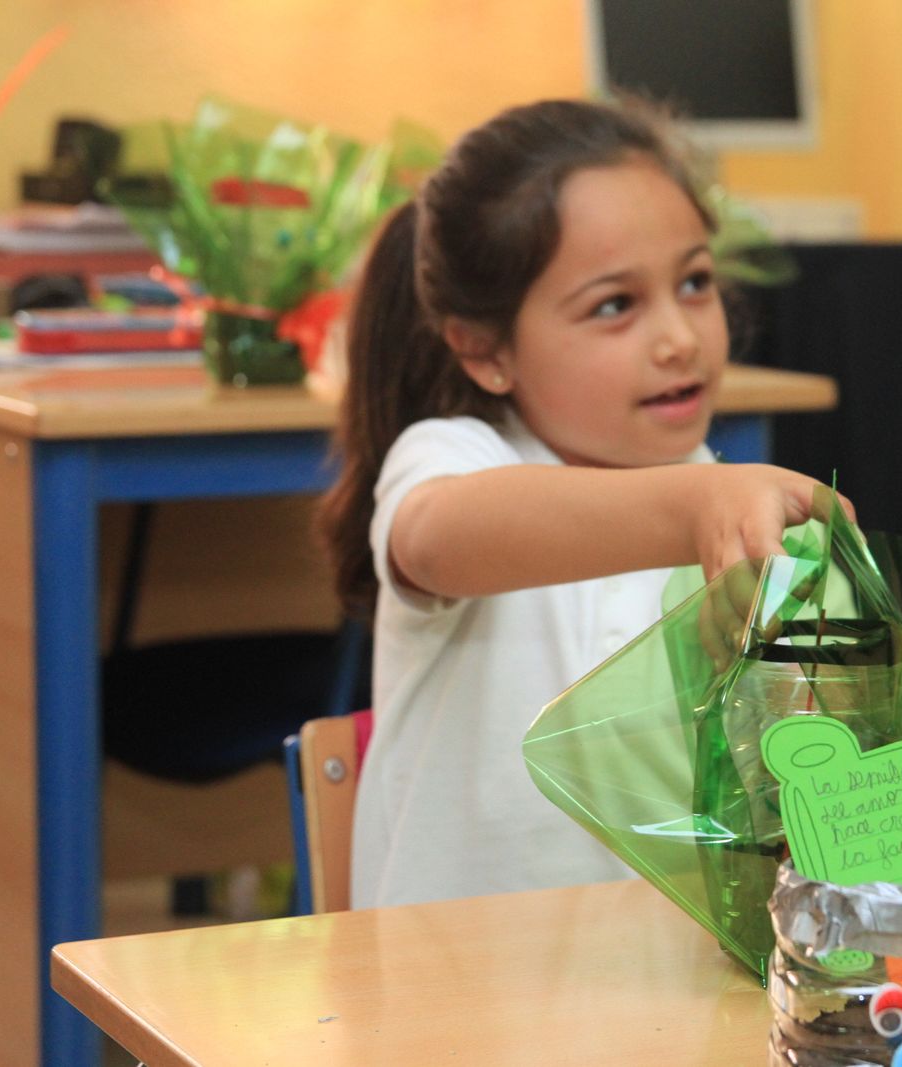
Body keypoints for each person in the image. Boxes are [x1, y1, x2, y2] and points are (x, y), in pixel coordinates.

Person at [317, 97, 842, 907]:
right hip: (444, 1006)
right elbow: (436, 540)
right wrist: (696, 503)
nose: (678, 336)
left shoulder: (738, 515)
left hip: (665, 994)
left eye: (695, 282)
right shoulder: (456, 456)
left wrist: (879, 734)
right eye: (614, 305)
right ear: (483, 349)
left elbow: (775, 823)